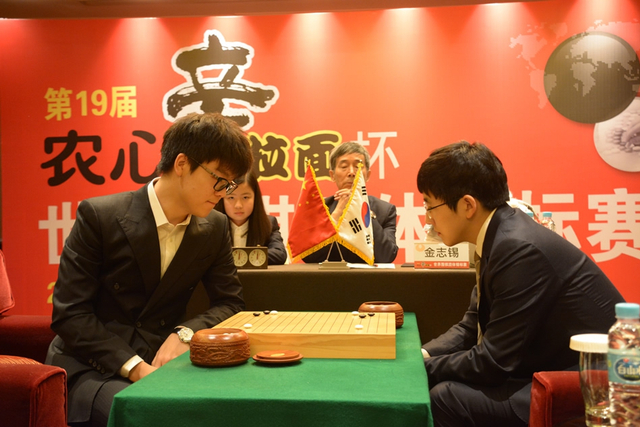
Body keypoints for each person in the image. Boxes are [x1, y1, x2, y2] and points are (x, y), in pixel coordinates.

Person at [46, 112, 254, 427]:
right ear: (182, 163)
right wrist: (135, 368)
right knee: (153, 416)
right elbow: (71, 314)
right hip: (94, 366)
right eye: (219, 180)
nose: (223, 193)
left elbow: (230, 302)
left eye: (230, 184)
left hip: (163, 362)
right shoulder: (101, 216)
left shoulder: (214, 227)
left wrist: (185, 333)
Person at [417, 141, 624, 427]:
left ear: (467, 205)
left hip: (590, 384)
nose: (428, 217)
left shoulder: (517, 248)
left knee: (446, 397)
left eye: (430, 205)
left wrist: (421, 369)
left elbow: (492, 363)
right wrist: (421, 355)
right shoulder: (500, 235)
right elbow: (471, 327)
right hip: (551, 370)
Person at [303, 142, 398, 264]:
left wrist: (364, 211)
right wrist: (336, 214)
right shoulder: (320, 209)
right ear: (332, 175)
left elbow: (387, 256)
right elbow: (308, 256)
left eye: (358, 166)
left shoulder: (384, 210)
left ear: (368, 175)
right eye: (344, 167)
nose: (352, 172)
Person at [214, 170, 287, 265]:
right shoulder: (212, 224)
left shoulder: (269, 223)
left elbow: (279, 254)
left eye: (245, 197)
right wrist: (253, 256)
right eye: (231, 198)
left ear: (255, 198)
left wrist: (241, 257)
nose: (238, 205)